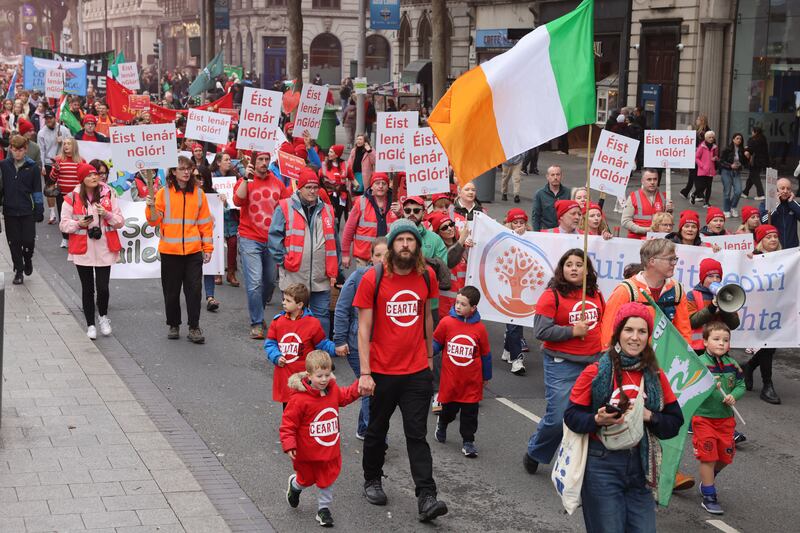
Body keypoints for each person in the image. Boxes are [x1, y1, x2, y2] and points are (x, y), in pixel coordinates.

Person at [353, 219, 448, 523]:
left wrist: (430, 359)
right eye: (400, 240)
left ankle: (427, 496)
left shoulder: (427, 276)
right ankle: (372, 479)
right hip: (381, 370)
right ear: (391, 245)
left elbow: (428, 317)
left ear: (417, 245)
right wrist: (365, 372)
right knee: (377, 429)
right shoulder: (373, 278)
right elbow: (364, 329)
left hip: (417, 370)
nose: (405, 244)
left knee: (416, 434)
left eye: (411, 239)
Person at [564, 302, 684, 533]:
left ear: (648, 336)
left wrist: (649, 416)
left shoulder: (655, 376)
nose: (634, 337)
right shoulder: (595, 371)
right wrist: (597, 420)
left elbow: (674, 422)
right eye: (629, 330)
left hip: (641, 466)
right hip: (602, 465)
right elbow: (571, 416)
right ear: (618, 333)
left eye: (642, 331)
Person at [524, 249, 605, 475]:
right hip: (561, 365)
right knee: (559, 416)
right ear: (562, 268)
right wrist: (572, 331)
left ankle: (583, 465)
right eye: (569, 264)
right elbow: (541, 331)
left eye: (579, 265)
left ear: (587, 270)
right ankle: (535, 451)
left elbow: (603, 322)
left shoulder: (595, 294)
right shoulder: (552, 295)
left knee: (592, 416)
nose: (574, 269)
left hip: (593, 364)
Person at [280, 350, 361, 528]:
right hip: (307, 453)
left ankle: (323, 510)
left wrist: (359, 387)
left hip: (329, 451)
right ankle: (295, 486)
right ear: (309, 375)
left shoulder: (332, 391)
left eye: (327, 374)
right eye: (319, 376)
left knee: (327, 480)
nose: (324, 379)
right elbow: (288, 424)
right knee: (306, 480)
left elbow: (346, 395)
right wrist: (289, 444)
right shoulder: (299, 400)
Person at [145, 156, 214, 344]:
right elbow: (153, 221)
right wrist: (149, 206)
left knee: (194, 291)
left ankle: (194, 327)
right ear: (173, 172)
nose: (186, 172)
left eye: (188, 169)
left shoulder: (199, 194)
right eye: (181, 169)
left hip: (192, 252)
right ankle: (173, 324)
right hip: (170, 251)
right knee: (171, 291)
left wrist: (207, 248)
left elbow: (205, 224)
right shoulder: (162, 193)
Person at [269, 169, 340, 337]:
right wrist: (284, 261)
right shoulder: (285, 207)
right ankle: (295, 349)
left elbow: (334, 242)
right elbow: (274, 238)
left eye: (315, 187)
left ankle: (319, 353)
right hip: (294, 275)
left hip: (320, 275)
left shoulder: (328, 209)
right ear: (299, 188)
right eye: (308, 187)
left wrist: (336, 271)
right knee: (294, 316)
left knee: (321, 316)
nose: (313, 191)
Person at [58, 162, 123, 339]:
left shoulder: (108, 193)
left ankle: (103, 317)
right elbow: (63, 224)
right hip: (82, 249)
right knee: (87, 289)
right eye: (89, 175)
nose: (94, 177)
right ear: (82, 179)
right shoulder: (71, 197)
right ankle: (90, 324)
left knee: (103, 288)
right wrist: (78, 224)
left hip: (104, 247)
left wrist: (107, 215)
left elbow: (120, 221)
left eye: (95, 174)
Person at [334, 238, 389, 440]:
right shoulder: (359, 276)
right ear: (370, 257)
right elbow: (341, 308)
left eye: (386, 255)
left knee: (372, 385)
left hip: (382, 344)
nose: (382, 260)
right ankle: (375, 434)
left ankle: (364, 428)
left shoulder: (395, 279)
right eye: (377, 255)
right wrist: (339, 340)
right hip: (358, 342)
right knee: (370, 385)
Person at [234, 150, 291, 339]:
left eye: (267, 159)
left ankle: (259, 307)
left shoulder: (277, 182)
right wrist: (245, 179)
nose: (264, 163)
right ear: (253, 161)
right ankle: (257, 322)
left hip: (272, 241)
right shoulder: (246, 181)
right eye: (260, 159)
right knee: (255, 282)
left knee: (269, 281)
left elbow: (287, 206)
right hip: (250, 238)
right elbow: (237, 200)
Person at [432, 286, 492, 458]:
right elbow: (437, 342)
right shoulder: (447, 323)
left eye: (463, 304)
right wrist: (428, 353)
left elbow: (486, 354)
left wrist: (486, 376)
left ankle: (468, 441)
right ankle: (442, 422)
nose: (458, 306)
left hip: (471, 382)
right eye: (457, 302)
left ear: (473, 308)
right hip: (451, 379)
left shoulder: (480, 328)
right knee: (449, 410)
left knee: (470, 414)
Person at [692, 322, 745, 515]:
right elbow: (690, 388)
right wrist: (705, 385)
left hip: (725, 420)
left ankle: (709, 479)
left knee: (726, 457)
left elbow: (741, 384)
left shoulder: (733, 364)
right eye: (716, 339)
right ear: (705, 341)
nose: (721, 343)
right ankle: (709, 495)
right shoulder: (699, 364)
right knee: (708, 457)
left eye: (726, 340)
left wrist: (734, 395)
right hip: (703, 419)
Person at [265, 283, 336, 406]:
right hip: (285, 377)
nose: (283, 303)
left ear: (299, 305)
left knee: (307, 408)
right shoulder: (278, 322)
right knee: (288, 411)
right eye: (283, 299)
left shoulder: (312, 323)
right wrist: (276, 356)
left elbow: (322, 344)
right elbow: (270, 343)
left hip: (305, 376)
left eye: (288, 300)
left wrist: (336, 349)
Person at [742, 225, 782, 404]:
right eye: (768, 237)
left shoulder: (785, 258)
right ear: (760, 242)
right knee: (768, 344)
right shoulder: (753, 257)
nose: (773, 239)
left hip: (778, 308)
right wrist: (747, 259)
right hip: (758, 309)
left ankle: (749, 366)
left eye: (775, 236)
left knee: (771, 346)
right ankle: (768, 385)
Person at [0, 135, 43, 285]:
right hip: (10, 210)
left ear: (25, 150)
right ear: (10, 149)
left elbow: (37, 189)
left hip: (27, 210)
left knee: (28, 240)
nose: (17, 153)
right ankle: (18, 270)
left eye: (21, 150)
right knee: (14, 242)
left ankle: (28, 258)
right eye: (14, 149)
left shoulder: (32, 168)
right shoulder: (4, 166)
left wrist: (39, 208)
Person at [341, 172, 397, 268]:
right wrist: (345, 254)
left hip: (389, 258)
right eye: (377, 183)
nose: (380, 186)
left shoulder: (395, 204)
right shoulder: (361, 202)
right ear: (371, 186)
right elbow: (349, 229)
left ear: (388, 187)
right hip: (365, 259)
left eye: (384, 183)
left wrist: (400, 213)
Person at [501, 208, 532, 375]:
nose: (519, 226)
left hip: (525, 287)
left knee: (516, 322)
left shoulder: (532, 238)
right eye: (515, 223)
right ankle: (517, 358)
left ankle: (508, 349)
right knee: (514, 322)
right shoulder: (502, 237)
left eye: (522, 223)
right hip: (506, 287)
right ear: (509, 223)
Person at [686, 258, 741, 354]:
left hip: (720, 347)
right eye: (710, 276)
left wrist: (724, 308)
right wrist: (712, 307)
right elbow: (691, 322)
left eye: (718, 276)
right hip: (699, 348)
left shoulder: (726, 294)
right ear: (702, 278)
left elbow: (734, 324)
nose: (714, 280)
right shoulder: (692, 295)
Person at [430, 211, 470, 321]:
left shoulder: (464, 246)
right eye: (444, 227)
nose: (450, 228)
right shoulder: (438, 251)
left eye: (451, 224)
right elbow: (449, 259)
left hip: (464, 301)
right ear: (438, 233)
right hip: (444, 304)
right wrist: (461, 240)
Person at [211, 152, 243, 287]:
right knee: (217, 244)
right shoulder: (211, 177)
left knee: (233, 243)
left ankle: (231, 273)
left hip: (231, 215)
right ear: (218, 162)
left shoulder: (234, 177)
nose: (229, 162)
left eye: (230, 159)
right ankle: (217, 273)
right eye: (226, 160)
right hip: (217, 215)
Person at [194, 166, 222, 312]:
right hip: (190, 238)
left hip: (207, 237)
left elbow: (223, 213)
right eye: (196, 177)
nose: (199, 180)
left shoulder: (213, 195)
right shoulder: (188, 194)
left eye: (201, 177)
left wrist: (223, 201)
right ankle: (193, 295)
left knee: (209, 267)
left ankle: (210, 297)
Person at [37, 110, 71, 225]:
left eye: (50, 118)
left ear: (55, 118)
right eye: (46, 119)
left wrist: (62, 142)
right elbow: (41, 150)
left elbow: (71, 143)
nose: (48, 121)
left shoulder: (64, 130)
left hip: (62, 161)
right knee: (50, 188)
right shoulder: (41, 133)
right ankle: (52, 213)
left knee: (62, 187)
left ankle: (64, 212)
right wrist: (41, 165)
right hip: (48, 162)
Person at [50, 138, 84, 248]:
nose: (66, 146)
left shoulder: (81, 161)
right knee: (63, 216)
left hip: (77, 195)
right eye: (64, 144)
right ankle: (65, 238)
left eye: (69, 144)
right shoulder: (58, 160)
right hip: (62, 195)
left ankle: (76, 237)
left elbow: (84, 177)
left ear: (74, 146)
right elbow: (52, 178)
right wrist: (56, 169)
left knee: (77, 216)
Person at [622, 169, 673, 239]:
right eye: (649, 179)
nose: (652, 182)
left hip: (658, 239)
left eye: (655, 179)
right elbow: (625, 222)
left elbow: (667, 223)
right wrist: (647, 230)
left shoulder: (664, 197)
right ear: (642, 181)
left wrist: (669, 212)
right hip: (637, 239)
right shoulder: (633, 197)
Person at [759, 177, 800, 249]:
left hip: (792, 248)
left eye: (788, 188)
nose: (785, 191)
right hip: (774, 248)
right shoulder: (765, 203)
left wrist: (792, 203)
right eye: (782, 188)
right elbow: (764, 221)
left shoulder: (793, 204)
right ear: (776, 190)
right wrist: (776, 204)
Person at [680, 114, 711, 200]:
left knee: (695, 174)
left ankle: (698, 193)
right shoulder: (701, 131)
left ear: (701, 121)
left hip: (698, 156)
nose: (696, 121)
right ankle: (687, 191)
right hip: (699, 156)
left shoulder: (702, 133)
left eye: (698, 119)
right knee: (693, 174)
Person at [532, 165, 570, 231]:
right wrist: (536, 233)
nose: (555, 177)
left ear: (561, 176)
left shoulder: (568, 192)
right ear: (547, 177)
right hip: (547, 232)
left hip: (564, 232)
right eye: (552, 175)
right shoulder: (540, 194)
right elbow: (536, 216)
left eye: (558, 174)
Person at [719, 132, 747, 217]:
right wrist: (730, 165)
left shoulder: (742, 150)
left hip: (736, 172)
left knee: (738, 191)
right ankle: (726, 210)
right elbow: (721, 161)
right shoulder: (727, 149)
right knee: (727, 192)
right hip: (726, 171)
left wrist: (746, 157)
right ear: (733, 139)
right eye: (737, 138)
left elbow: (745, 163)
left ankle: (733, 207)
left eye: (740, 139)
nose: (739, 140)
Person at [693, 131, 719, 208]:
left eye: (712, 137)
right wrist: (702, 165)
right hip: (703, 170)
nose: (711, 139)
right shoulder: (702, 146)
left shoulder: (715, 147)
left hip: (711, 170)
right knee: (702, 186)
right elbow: (696, 158)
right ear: (706, 138)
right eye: (709, 137)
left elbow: (717, 156)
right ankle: (694, 194)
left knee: (709, 186)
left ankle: (706, 202)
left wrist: (715, 158)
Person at [743, 126, 769, 200]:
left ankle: (761, 194)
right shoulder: (763, 139)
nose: (752, 133)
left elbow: (750, 149)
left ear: (755, 132)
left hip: (755, 161)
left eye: (752, 131)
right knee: (752, 176)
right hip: (762, 161)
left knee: (755, 176)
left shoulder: (753, 140)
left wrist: (746, 148)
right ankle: (745, 192)